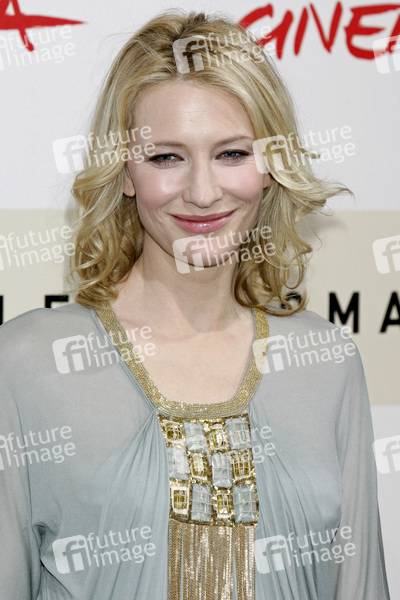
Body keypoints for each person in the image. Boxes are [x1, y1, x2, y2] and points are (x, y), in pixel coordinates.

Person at [0, 9, 391, 600]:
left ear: (270, 166)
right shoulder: (28, 364)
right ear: (124, 171)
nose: (203, 192)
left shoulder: (325, 361)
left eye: (232, 154)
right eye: (166, 157)